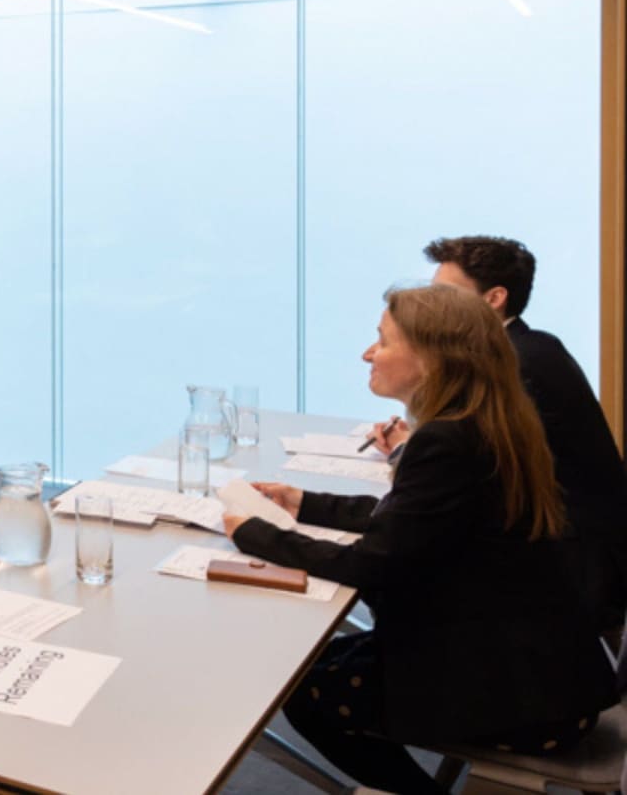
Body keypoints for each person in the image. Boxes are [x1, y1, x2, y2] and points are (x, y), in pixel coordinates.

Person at [225, 284, 615, 795]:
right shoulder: (490, 420)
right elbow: (411, 520)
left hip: (518, 697)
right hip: (547, 671)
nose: (368, 354)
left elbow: (373, 565)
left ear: (432, 359)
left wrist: (253, 534)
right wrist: (304, 503)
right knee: (312, 664)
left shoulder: (446, 440)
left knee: (305, 692)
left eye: (382, 341)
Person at [372, 235, 627, 631]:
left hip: (569, 568)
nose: (434, 306)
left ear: (494, 299)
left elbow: (481, 476)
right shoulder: (530, 346)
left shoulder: (517, 364)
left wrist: (409, 452)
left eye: (446, 293)